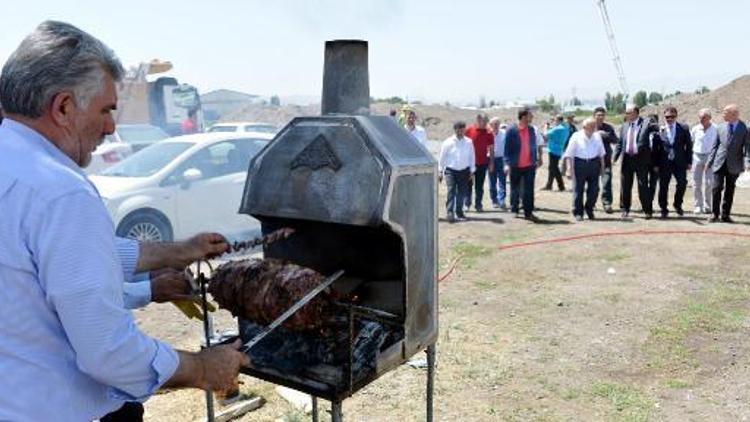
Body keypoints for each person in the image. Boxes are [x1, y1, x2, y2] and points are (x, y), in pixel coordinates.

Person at [0, 21, 249, 421]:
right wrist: (204, 367)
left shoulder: (13, 168)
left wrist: (179, 250)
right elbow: (110, 353)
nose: (112, 127)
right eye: (106, 109)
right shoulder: (62, 192)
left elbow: (55, 259)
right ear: (63, 107)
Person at [613, 105, 659, 218]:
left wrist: (656, 125)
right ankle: (625, 208)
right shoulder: (624, 126)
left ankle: (647, 210)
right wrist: (614, 157)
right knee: (625, 186)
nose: (626, 115)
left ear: (635, 113)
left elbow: (655, 127)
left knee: (643, 185)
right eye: (626, 113)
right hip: (627, 159)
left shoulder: (646, 123)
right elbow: (620, 143)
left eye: (628, 113)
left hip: (641, 160)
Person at [707, 104, 750, 223]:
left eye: (725, 112)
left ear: (734, 114)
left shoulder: (744, 128)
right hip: (719, 162)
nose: (723, 114)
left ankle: (725, 215)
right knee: (716, 188)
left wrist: (747, 163)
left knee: (730, 190)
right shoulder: (720, 127)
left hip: (735, 164)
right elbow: (715, 146)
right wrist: (709, 162)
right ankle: (714, 214)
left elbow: (747, 148)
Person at [563, 118, 606, 221]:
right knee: (579, 189)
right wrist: (569, 168)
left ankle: (589, 209)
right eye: (591, 126)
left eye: (594, 126)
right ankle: (578, 212)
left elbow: (601, 153)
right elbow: (569, 154)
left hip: (594, 164)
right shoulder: (576, 136)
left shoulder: (597, 136)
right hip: (580, 164)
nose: (593, 128)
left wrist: (603, 167)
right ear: (584, 127)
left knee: (594, 189)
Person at [504, 109, 543, 221]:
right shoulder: (512, 130)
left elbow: (534, 146)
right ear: (523, 117)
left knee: (529, 190)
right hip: (515, 165)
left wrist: (536, 159)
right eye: (530, 116)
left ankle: (528, 212)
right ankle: (514, 208)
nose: (532, 117)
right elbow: (507, 148)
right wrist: (507, 164)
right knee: (515, 188)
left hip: (529, 165)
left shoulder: (531, 129)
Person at [655, 106, 693, 218]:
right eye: (667, 117)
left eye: (672, 116)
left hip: (680, 162)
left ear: (676, 116)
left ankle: (677, 205)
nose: (669, 119)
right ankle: (663, 208)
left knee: (682, 183)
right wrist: (656, 164)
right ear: (664, 117)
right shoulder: (659, 129)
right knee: (663, 186)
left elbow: (689, 146)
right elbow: (656, 149)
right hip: (664, 163)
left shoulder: (684, 128)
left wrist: (689, 161)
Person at [439, 121, 475, 222]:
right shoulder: (448, 142)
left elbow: (472, 157)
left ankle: (459, 212)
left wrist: (472, 171)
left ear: (464, 130)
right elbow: (442, 157)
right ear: (454, 129)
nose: (460, 131)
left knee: (462, 193)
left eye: (462, 129)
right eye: (458, 129)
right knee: (451, 191)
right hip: (451, 171)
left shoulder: (469, 142)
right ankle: (450, 212)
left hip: (464, 171)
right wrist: (440, 171)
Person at [464, 114, 494, 212]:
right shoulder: (469, 130)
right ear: (478, 120)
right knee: (468, 185)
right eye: (484, 121)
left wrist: (491, 163)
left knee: (479, 186)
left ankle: (478, 204)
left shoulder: (489, 133)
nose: (485, 123)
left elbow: (492, 149)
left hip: (482, 163)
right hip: (469, 163)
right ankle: (467, 204)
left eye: (486, 121)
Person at [690, 108, 718, 214]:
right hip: (697, 156)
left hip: (710, 157)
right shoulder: (695, 129)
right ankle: (698, 206)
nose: (701, 119)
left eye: (704, 117)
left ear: (710, 118)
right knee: (696, 183)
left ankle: (707, 205)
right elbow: (691, 142)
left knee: (709, 183)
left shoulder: (716, 128)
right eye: (700, 117)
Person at [593, 107, 618, 213]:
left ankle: (607, 203)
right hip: (592, 159)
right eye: (598, 115)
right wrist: (596, 134)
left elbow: (615, 140)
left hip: (606, 159)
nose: (600, 117)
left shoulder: (608, 127)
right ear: (594, 116)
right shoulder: (590, 126)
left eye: (602, 115)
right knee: (593, 183)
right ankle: (591, 203)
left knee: (606, 182)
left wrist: (606, 135)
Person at [542, 115, 568, 191]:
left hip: (553, 150)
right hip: (559, 150)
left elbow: (545, 134)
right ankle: (549, 185)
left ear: (558, 120)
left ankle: (561, 185)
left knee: (554, 168)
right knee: (552, 168)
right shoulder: (565, 127)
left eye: (555, 120)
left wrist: (545, 127)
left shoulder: (558, 128)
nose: (554, 121)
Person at [488, 117, 508, 209]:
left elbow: (508, 147)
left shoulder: (504, 134)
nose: (496, 126)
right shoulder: (487, 134)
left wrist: (507, 162)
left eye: (497, 124)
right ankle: (494, 200)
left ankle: (502, 200)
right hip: (490, 159)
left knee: (502, 180)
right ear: (490, 125)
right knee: (492, 181)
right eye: (494, 124)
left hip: (502, 159)